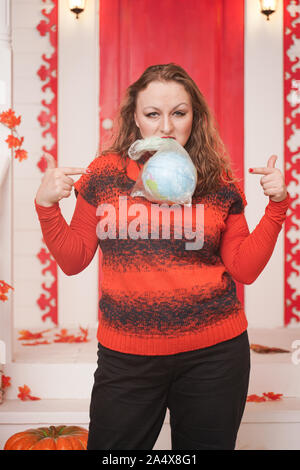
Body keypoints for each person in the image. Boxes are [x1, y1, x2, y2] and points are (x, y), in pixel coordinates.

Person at [34, 63, 289, 450]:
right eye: (153, 114)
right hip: (126, 358)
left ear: (194, 118)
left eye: (179, 113)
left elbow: (244, 269)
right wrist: (46, 206)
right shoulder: (104, 175)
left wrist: (276, 207)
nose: (166, 127)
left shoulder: (217, 181)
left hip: (214, 357)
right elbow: (74, 260)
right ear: (135, 119)